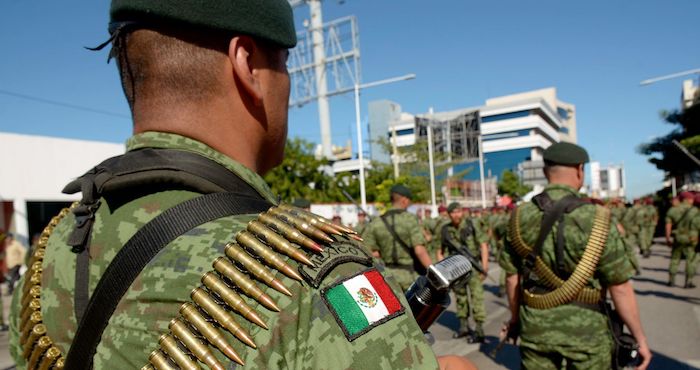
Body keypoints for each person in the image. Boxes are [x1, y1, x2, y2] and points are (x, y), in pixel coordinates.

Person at [9, 2, 461, 369]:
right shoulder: (311, 270)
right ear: (246, 63)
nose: (287, 84)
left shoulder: (51, 251)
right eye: (284, 63)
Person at [500, 142, 650, 370]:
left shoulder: (518, 216)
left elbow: (512, 279)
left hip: (536, 327)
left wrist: (514, 320)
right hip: (588, 334)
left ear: (544, 172)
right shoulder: (598, 217)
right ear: (580, 170)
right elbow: (619, 286)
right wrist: (640, 338)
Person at [363, 184, 432, 292]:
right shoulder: (410, 219)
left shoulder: (376, 222)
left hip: (387, 277)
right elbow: (419, 250)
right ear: (404, 200)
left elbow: (367, 251)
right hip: (410, 277)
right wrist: (433, 271)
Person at [440, 202, 489, 343]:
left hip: (473, 268)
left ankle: (479, 330)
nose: (457, 215)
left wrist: (484, 267)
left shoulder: (471, 225)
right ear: (449, 215)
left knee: (477, 298)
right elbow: (440, 251)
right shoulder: (445, 230)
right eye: (453, 212)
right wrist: (445, 271)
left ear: (462, 212)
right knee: (460, 298)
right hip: (455, 270)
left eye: (458, 211)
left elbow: (483, 245)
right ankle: (463, 327)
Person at [665, 191, 698, 288]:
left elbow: (668, 225)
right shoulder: (695, 210)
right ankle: (688, 281)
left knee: (675, 258)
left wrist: (667, 238)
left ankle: (671, 280)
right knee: (690, 260)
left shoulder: (673, 210)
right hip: (692, 238)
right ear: (688, 199)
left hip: (678, 237)